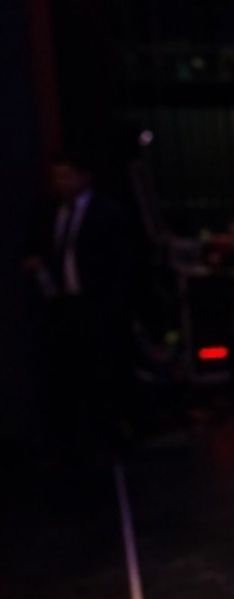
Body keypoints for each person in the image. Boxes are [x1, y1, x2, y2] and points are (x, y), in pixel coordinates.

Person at [20, 155, 138, 456]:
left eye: (67, 176)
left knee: (104, 369)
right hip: (63, 305)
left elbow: (122, 263)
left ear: (83, 178)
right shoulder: (51, 214)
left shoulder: (108, 214)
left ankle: (112, 432)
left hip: (99, 305)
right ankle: (76, 437)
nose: (61, 184)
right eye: (56, 178)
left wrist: (115, 305)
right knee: (69, 371)